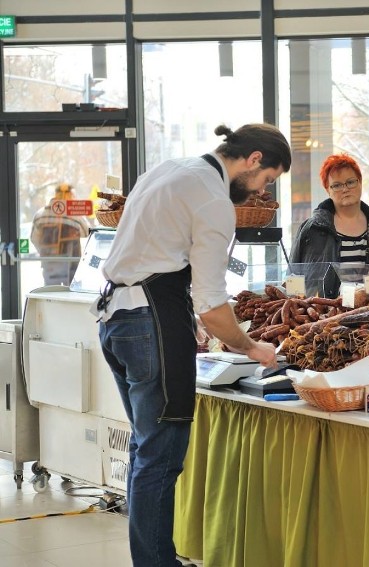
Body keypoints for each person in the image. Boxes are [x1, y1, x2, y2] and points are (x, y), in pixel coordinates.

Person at [93, 123, 291, 567]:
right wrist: (251, 346)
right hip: (152, 322)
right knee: (160, 457)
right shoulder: (213, 200)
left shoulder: (170, 169)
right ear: (254, 159)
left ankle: (153, 558)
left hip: (114, 319)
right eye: (267, 179)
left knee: (146, 449)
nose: (261, 191)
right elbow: (212, 305)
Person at [290, 153, 369, 297]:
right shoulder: (312, 229)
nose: (345, 189)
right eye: (337, 185)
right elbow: (293, 275)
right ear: (328, 190)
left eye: (350, 182)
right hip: (323, 312)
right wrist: (295, 309)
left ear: (360, 182)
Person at [30, 183, 90, 285]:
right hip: (71, 264)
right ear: (69, 195)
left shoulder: (40, 215)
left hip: (49, 265)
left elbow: (34, 239)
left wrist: (45, 251)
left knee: (51, 294)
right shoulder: (74, 216)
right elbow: (87, 232)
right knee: (71, 296)